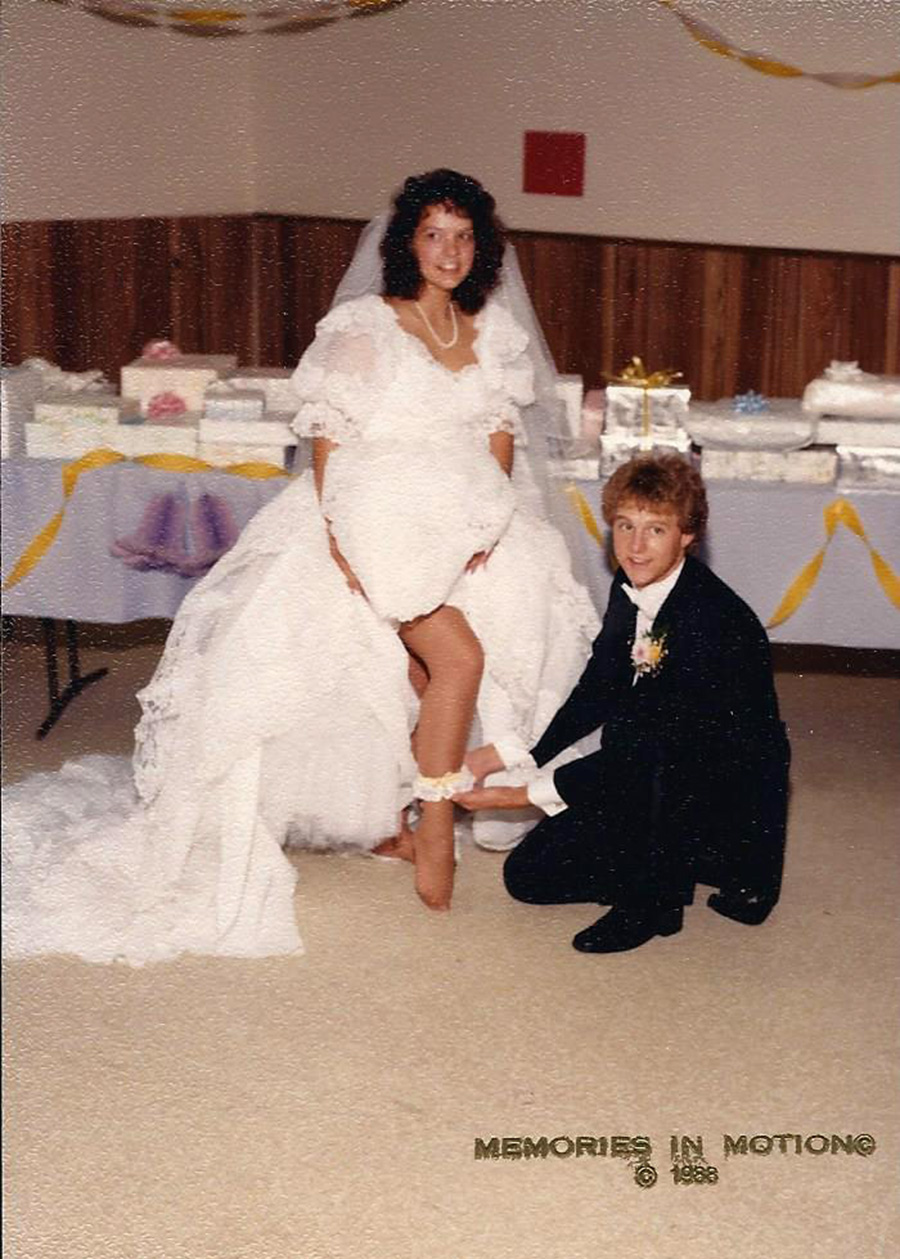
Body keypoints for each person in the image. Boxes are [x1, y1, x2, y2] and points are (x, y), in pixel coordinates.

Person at [2, 168, 599, 964]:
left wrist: (491, 519)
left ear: (480, 247)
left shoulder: (488, 330)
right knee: (459, 658)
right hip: (374, 508)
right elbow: (329, 440)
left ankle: (397, 817)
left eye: (463, 237)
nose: (449, 252)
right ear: (406, 243)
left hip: (470, 512)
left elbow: (497, 431)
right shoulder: (366, 324)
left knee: (428, 667)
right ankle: (436, 829)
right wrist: (344, 538)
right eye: (433, 235)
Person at [454, 454, 791, 954]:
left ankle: (656, 901)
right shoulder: (628, 585)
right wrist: (511, 755)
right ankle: (661, 867)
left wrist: (519, 796)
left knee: (648, 763)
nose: (635, 546)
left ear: (687, 536)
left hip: (718, 787)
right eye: (625, 525)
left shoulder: (710, 621)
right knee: (528, 877)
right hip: (650, 770)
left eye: (656, 530)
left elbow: (659, 751)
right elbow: (598, 689)